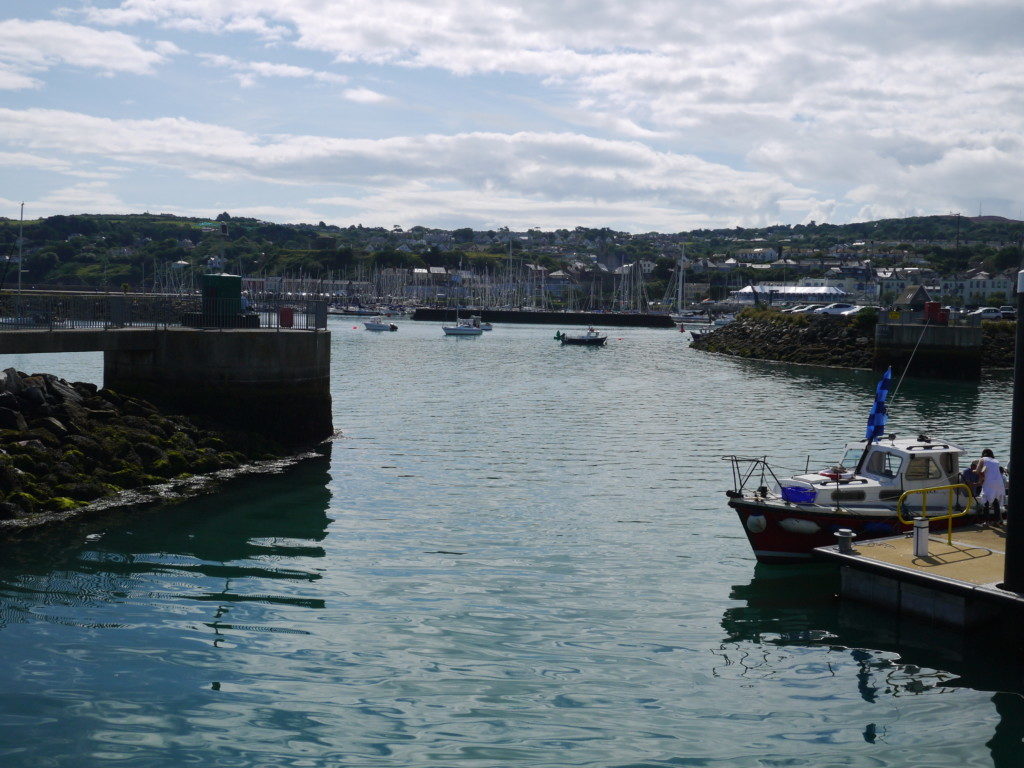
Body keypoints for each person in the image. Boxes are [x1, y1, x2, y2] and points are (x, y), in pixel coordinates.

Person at [978, 448, 1007, 522]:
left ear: (983, 454)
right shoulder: (996, 461)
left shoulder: (982, 459)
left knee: (985, 502)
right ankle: (997, 520)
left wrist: (974, 470)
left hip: (989, 482)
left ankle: (986, 521)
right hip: (998, 483)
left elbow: (978, 470)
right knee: (995, 501)